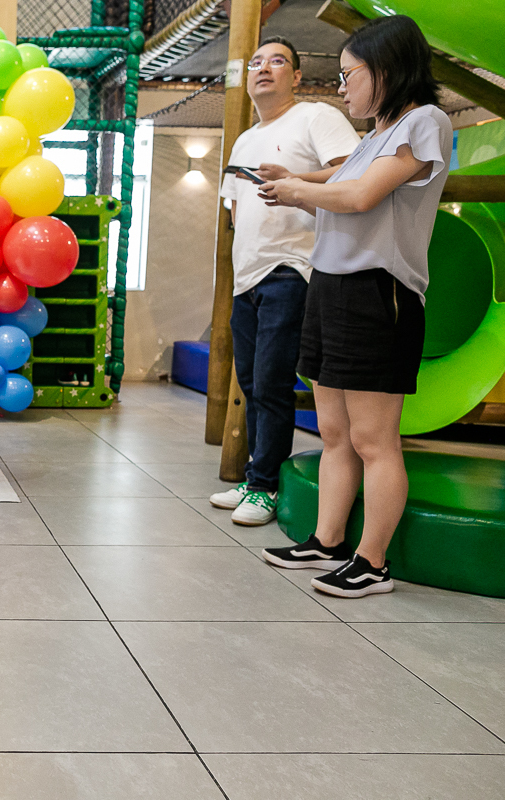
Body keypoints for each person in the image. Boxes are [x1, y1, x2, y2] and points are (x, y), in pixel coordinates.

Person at [256, 15, 450, 597]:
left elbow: (359, 194)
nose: (342, 88)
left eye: (349, 75)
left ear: (385, 71)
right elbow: (340, 200)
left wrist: (297, 188)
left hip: (378, 292)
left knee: (374, 439)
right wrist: (294, 184)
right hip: (332, 287)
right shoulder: (373, 136)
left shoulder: (425, 122)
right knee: (334, 432)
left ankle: (373, 562)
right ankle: (328, 540)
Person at [210, 36, 361, 527]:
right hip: (247, 276)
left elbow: (353, 173)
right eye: (256, 62)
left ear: (296, 76)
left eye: (278, 62)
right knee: (252, 382)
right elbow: (235, 209)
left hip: (293, 269)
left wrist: (297, 178)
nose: (264, 69)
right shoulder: (245, 140)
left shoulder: (316, 117)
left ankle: (264, 487)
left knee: (273, 380)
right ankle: (257, 475)